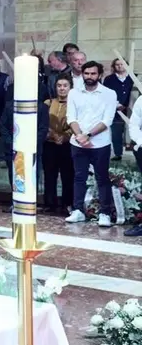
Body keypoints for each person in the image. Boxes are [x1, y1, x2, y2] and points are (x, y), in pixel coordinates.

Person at [66, 61, 119, 227]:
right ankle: (78, 210)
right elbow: (71, 118)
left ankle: (105, 213)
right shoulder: (74, 93)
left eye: (93, 74)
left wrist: (88, 135)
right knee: (79, 177)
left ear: (100, 75)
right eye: (86, 73)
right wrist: (80, 136)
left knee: (102, 178)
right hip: (78, 142)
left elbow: (107, 120)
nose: (89, 77)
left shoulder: (109, 94)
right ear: (82, 74)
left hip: (100, 143)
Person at [43, 76, 74, 216]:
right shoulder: (48, 103)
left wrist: (66, 136)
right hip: (50, 143)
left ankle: (67, 203)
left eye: (65, 85)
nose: (62, 88)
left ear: (70, 87)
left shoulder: (74, 103)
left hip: (68, 143)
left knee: (68, 175)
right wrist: (53, 135)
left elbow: (77, 121)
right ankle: (50, 203)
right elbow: (43, 122)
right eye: (59, 85)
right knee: (50, 174)